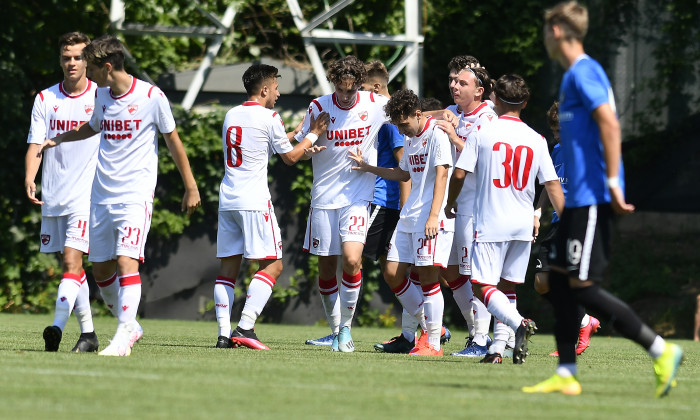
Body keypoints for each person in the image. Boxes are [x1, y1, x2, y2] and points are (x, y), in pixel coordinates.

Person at [524, 1, 683, 396]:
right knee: (559, 285)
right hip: (578, 198)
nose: (545, 38)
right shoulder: (570, 78)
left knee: (582, 287)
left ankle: (661, 349)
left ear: (558, 31)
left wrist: (613, 181)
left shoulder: (584, 71)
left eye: (547, 31)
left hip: (593, 197)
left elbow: (611, 123)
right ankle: (566, 374)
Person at [38, 35, 201, 356]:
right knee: (100, 270)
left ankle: (124, 335)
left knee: (128, 260)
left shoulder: (152, 96)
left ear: (107, 66)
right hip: (100, 196)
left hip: (134, 195)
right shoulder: (102, 96)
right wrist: (60, 138)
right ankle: (131, 325)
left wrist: (191, 185)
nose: (87, 71)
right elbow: (93, 126)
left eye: (92, 66)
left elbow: (174, 142)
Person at [445, 74, 565, 364]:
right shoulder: (536, 139)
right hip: (523, 223)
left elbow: (459, 173)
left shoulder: (482, 134)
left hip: (491, 221)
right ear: (525, 103)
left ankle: (518, 324)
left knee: (480, 285)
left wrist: (450, 203)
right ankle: (498, 349)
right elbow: (551, 184)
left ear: (494, 99)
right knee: (507, 286)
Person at [215, 64, 329, 350]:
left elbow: (263, 143)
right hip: (254, 201)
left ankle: (223, 334)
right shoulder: (269, 116)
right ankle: (246, 327)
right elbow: (289, 158)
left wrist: (298, 135)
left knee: (227, 270)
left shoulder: (232, 114)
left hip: (228, 199)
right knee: (274, 265)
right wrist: (313, 133)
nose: (278, 93)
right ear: (264, 89)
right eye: (276, 87)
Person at [294, 55, 390, 352]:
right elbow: (300, 146)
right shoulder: (318, 106)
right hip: (324, 197)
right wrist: (313, 145)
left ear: (359, 85)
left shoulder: (374, 104)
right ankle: (334, 330)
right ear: (333, 82)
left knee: (351, 260)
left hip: (357, 197)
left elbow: (411, 111)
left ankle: (346, 330)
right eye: (341, 88)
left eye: (351, 89)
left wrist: (451, 114)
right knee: (326, 269)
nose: (346, 95)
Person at [350, 88, 454, 356]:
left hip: (430, 216)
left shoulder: (436, 134)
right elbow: (402, 173)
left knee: (428, 278)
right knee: (392, 272)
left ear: (417, 114)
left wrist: (434, 215)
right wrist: (368, 167)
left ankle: (431, 343)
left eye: (404, 123)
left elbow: (442, 174)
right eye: (397, 124)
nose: (401, 129)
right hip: (409, 216)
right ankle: (434, 328)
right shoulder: (410, 139)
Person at [25, 32, 100, 353]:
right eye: (66, 57)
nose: (72, 63)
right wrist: (30, 177)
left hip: (88, 196)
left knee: (72, 262)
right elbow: (35, 144)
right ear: (61, 60)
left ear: (88, 61)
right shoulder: (45, 99)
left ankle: (56, 326)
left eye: (78, 57)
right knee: (73, 269)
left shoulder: (102, 96)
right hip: (54, 196)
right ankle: (89, 335)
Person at [434, 56, 498, 358]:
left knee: (476, 274)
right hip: (454, 204)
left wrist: (454, 136)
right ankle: (477, 332)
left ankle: (484, 338)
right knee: (449, 269)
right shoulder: (451, 112)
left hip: (477, 205)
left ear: (479, 91)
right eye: (452, 81)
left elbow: (482, 159)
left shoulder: (488, 117)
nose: (454, 86)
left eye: (462, 82)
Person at [533, 101, 600, 357]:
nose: (557, 136)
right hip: (558, 224)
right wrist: (538, 211)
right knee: (541, 283)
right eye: (554, 132)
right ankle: (585, 321)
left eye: (561, 131)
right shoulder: (557, 150)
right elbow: (550, 184)